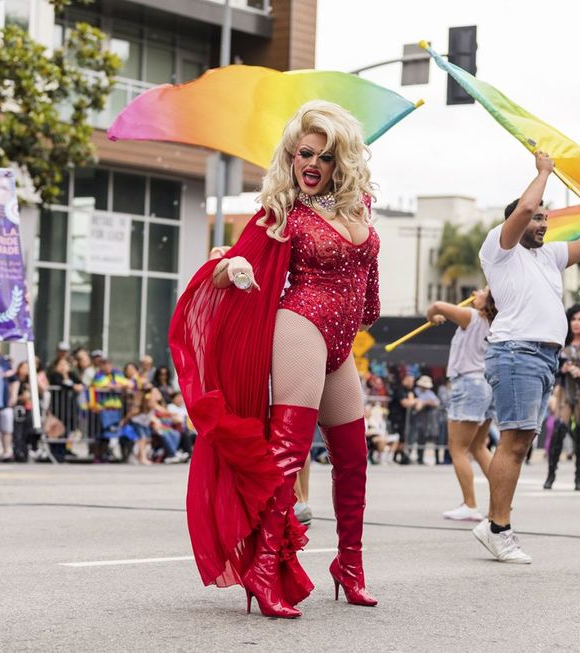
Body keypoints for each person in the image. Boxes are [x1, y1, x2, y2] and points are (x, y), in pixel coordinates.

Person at [170, 101, 381, 617]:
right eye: (302, 153)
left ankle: (348, 565)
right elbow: (228, 268)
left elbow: (369, 288)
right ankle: (264, 569)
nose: (311, 164)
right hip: (300, 326)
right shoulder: (282, 211)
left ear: (342, 162)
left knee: (353, 458)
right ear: (291, 156)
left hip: (341, 339)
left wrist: (364, 310)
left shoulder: (360, 207)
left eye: (324, 156)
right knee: (288, 453)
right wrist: (233, 267)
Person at [473, 149, 580, 563]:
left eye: (544, 220)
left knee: (520, 442)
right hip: (516, 351)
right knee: (515, 442)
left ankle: (497, 522)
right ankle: (498, 528)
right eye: (537, 218)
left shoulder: (548, 256)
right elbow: (522, 208)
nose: (541, 224)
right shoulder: (499, 249)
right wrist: (543, 172)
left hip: (540, 357)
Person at [426, 288, 496, 520]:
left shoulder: (472, 317)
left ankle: (469, 503)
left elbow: (436, 305)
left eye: (483, 291)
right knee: (478, 447)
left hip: (469, 384)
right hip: (487, 384)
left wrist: (432, 318)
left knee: (458, 448)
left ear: (489, 301)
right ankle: (501, 502)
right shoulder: (498, 323)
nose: (476, 293)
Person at [546, 303, 580, 491]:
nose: (576, 323)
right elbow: (551, 367)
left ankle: (579, 478)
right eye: (574, 319)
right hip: (564, 389)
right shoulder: (561, 342)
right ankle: (550, 475)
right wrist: (562, 369)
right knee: (559, 428)